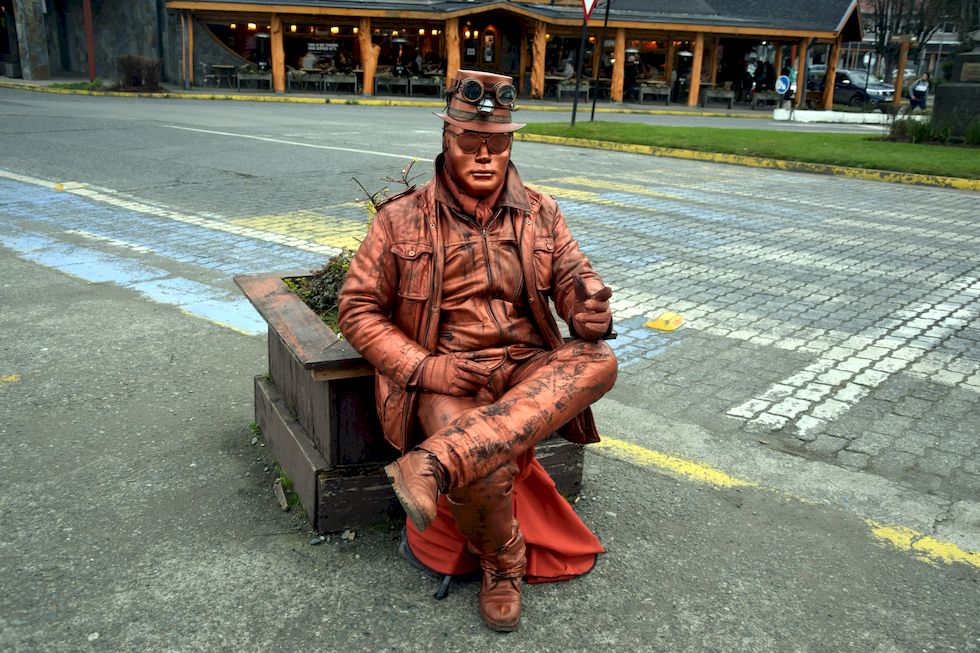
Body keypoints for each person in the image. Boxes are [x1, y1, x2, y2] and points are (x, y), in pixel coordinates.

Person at [337, 69, 617, 632]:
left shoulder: (542, 211)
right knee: (483, 464)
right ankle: (503, 565)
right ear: (447, 141)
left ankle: (434, 464)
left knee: (600, 359)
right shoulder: (400, 219)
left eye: (498, 143)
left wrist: (589, 309)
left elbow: (572, 276)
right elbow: (356, 309)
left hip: (525, 368)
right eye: (471, 144)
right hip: (447, 374)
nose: (486, 156)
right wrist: (424, 366)